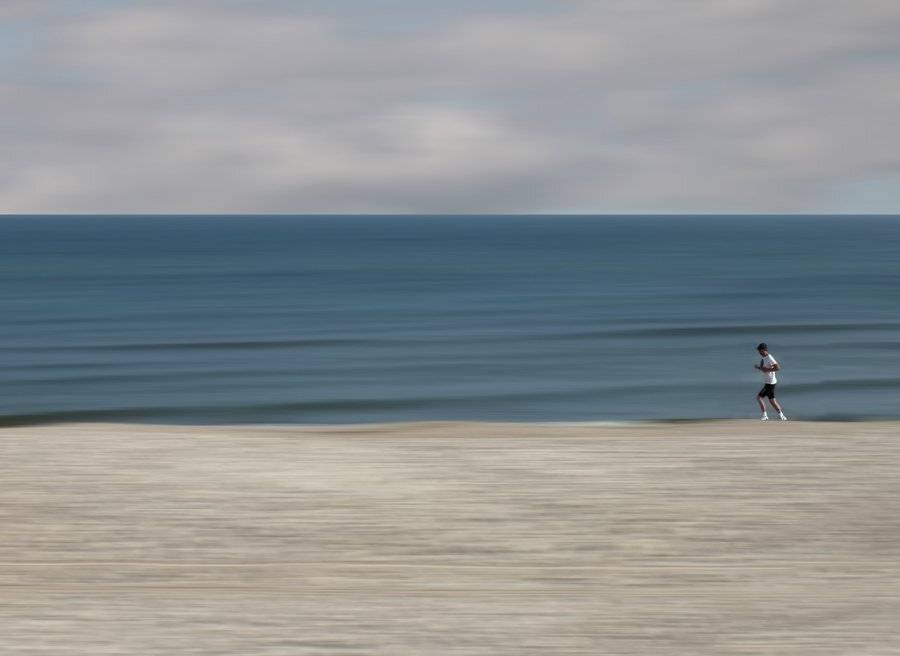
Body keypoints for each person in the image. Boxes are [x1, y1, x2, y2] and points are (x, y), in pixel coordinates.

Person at [755, 343, 787, 421]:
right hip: (769, 382)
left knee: (760, 397)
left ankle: (765, 415)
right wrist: (759, 367)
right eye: (759, 351)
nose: (759, 353)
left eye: (760, 351)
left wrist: (767, 369)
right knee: (772, 400)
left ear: (764, 350)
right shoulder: (764, 359)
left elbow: (778, 368)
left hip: (770, 383)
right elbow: (764, 370)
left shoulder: (770, 358)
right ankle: (782, 416)